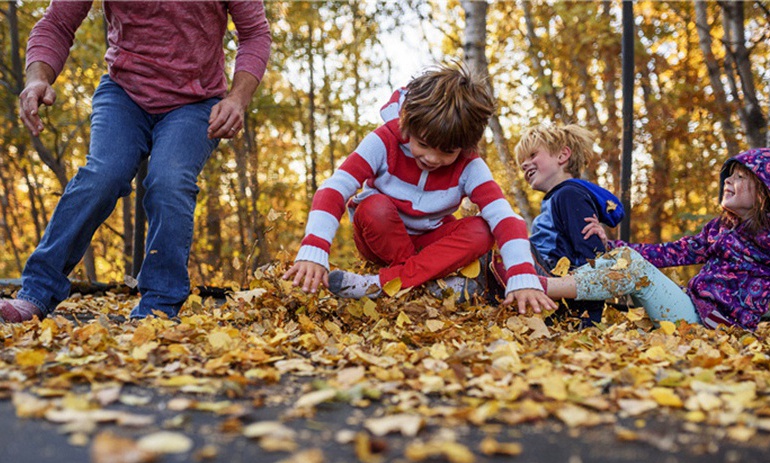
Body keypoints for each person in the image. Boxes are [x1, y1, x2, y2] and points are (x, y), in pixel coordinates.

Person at [0, 1, 272, 323]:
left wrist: (237, 98)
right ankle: (36, 293)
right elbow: (58, 22)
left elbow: (255, 33)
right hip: (124, 93)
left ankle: (157, 307)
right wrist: (37, 78)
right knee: (103, 175)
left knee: (169, 182)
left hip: (197, 102)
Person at [283, 63, 556, 315]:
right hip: (380, 234)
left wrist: (522, 275)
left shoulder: (470, 164)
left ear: (465, 146)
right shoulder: (384, 140)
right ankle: (417, 280)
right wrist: (315, 248)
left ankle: (384, 284)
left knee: (482, 229)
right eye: (423, 145)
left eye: (447, 152)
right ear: (408, 124)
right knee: (374, 206)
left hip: (431, 241)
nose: (433, 159)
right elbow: (336, 187)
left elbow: (504, 216)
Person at [537, 148, 770, 345]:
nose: (728, 181)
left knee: (631, 267)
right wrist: (611, 244)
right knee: (625, 259)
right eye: (729, 176)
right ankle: (549, 288)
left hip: (718, 330)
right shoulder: (719, 228)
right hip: (690, 310)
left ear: (767, 193)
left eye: (741, 177)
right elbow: (670, 253)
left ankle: (539, 286)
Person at [490, 124, 624, 325]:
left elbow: (593, 262)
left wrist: (586, 320)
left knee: (500, 238)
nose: (525, 165)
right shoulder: (558, 198)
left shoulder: (569, 195)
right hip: (550, 282)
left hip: (560, 293)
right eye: (522, 163)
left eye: (533, 155)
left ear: (562, 156)